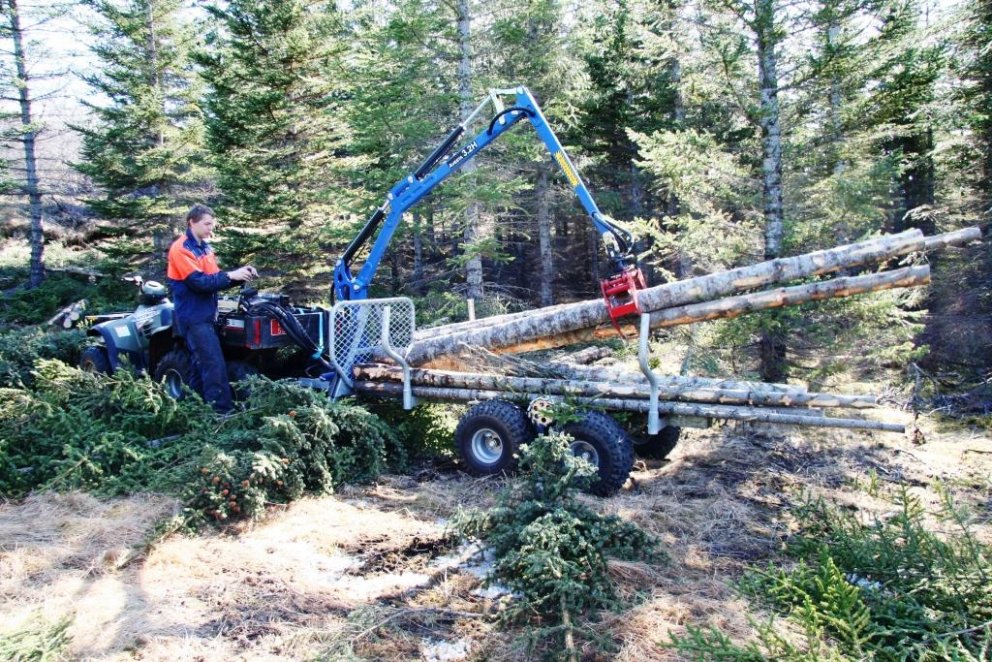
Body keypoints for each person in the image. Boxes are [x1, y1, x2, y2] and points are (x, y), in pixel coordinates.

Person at [167, 204, 257, 412]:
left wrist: (240, 275)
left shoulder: (205, 247)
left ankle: (196, 410)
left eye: (212, 224)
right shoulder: (181, 249)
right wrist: (231, 275)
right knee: (213, 365)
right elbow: (199, 283)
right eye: (207, 224)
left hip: (207, 315)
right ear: (192, 222)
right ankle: (221, 415)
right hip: (193, 317)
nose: (211, 229)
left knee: (200, 366)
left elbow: (215, 280)